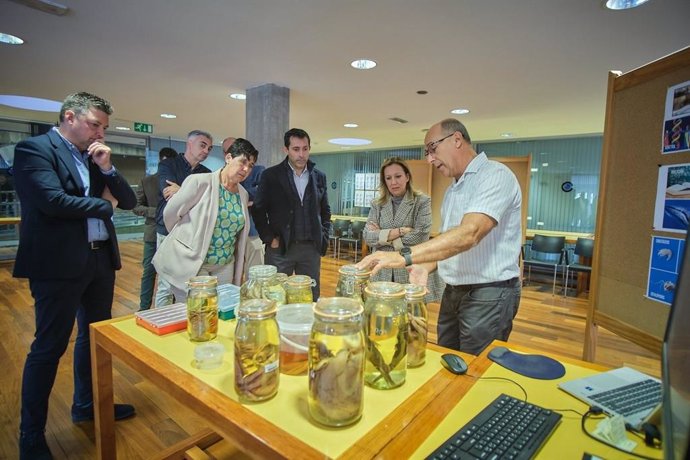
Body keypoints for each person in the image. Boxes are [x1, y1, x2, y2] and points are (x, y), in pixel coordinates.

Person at [12, 92, 137, 459]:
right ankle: (30, 435)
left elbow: (128, 202)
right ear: (70, 117)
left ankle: (88, 405)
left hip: (99, 261)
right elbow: (51, 200)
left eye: (104, 127)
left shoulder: (94, 157)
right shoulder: (34, 149)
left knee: (94, 339)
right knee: (49, 347)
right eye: (94, 124)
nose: (100, 132)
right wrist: (102, 206)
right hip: (57, 265)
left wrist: (110, 168)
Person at [356, 118, 522, 355]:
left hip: (488, 293)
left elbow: (469, 234)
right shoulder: (454, 188)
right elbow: (450, 242)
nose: (429, 159)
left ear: (456, 139)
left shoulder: (495, 175)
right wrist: (426, 266)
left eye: (432, 149)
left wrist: (403, 257)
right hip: (453, 290)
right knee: (448, 360)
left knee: (476, 367)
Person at [152, 139, 256, 301]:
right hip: (196, 261)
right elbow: (171, 215)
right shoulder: (200, 182)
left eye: (250, 165)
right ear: (228, 158)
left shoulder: (243, 194)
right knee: (199, 311)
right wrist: (186, 241)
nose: (246, 169)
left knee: (222, 310)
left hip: (225, 264)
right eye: (243, 161)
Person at [252, 128, 331, 299]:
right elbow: (258, 210)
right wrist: (269, 239)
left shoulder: (319, 176)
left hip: (311, 250)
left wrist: (324, 234)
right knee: (275, 296)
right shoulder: (270, 175)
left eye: (305, 148)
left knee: (310, 297)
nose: (301, 154)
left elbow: (325, 210)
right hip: (280, 249)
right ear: (286, 150)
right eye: (296, 149)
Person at [362, 157, 444, 302]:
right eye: (388, 178)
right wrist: (400, 231)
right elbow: (368, 237)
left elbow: (420, 237)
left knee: (413, 320)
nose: (393, 182)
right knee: (382, 316)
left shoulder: (422, 201)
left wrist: (382, 234)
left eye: (398, 176)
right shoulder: (377, 204)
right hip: (382, 272)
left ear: (407, 177)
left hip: (410, 269)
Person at [153, 130, 212, 307]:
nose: (206, 151)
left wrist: (184, 191)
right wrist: (195, 196)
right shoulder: (169, 165)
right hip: (168, 230)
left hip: (193, 234)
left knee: (189, 284)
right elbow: (169, 193)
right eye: (202, 145)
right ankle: (160, 322)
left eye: (209, 148)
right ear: (189, 143)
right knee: (165, 285)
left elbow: (206, 203)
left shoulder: (207, 173)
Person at [132, 147, 177, 310]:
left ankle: (169, 309)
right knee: (149, 273)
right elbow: (136, 207)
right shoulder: (148, 181)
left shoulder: (178, 182)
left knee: (172, 275)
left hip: (174, 234)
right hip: (152, 234)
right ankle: (144, 308)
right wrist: (157, 212)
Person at [240, 160, 266, 279]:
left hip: (253, 232)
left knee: (255, 275)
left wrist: (240, 196)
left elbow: (263, 192)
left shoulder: (258, 170)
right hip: (232, 233)